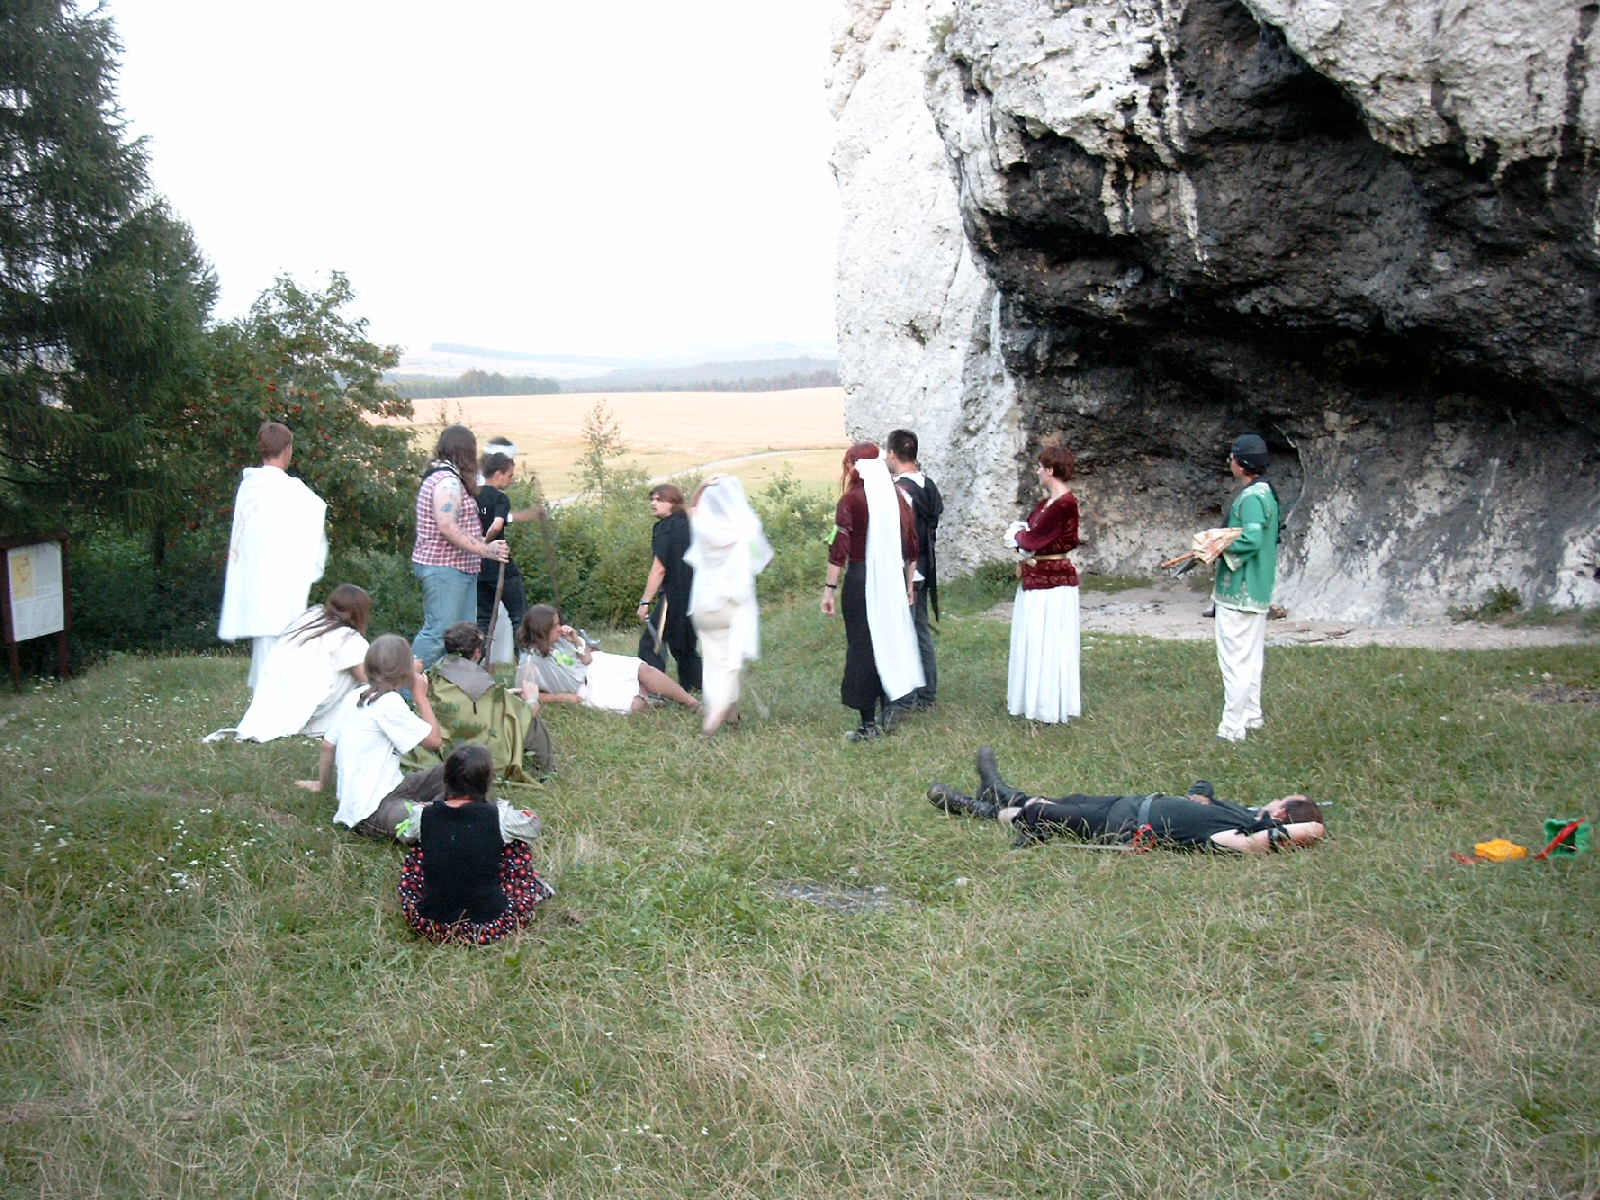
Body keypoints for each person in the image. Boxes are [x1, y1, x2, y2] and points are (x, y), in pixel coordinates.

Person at [928, 747, 1327, 853]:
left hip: (1125, 826)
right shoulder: (1241, 813)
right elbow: (1201, 793)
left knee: (1043, 814)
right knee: (1060, 801)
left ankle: (978, 807)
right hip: (1132, 804)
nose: (1274, 799)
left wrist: (1309, 828)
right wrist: (1201, 795)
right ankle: (998, 790)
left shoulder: (1243, 834)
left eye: (1280, 800)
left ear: (1281, 814)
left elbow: (1260, 843)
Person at [395, 744, 554, 945]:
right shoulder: (500, 818)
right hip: (489, 924)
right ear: (486, 781)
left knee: (421, 847)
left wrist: (426, 812)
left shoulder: (424, 816)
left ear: (446, 779)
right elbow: (532, 828)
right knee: (515, 845)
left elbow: (406, 836)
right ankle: (532, 888)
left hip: (432, 924)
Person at [297, 634, 447, 840]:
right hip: (374, 812)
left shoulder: (355, 695)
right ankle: (436, 812)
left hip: (375, 797)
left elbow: (328, 745)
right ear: (405, 671)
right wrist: (420, 696)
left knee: (452, 770)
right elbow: (434, 741)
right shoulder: (389, 702)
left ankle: (431, 808)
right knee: (434, 816)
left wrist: (321, 784)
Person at [821, 442, 922, 742]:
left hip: (861, 579)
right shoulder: (897, 498)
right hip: (892, 580)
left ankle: (868, 724)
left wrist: (829, 590)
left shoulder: (851, 500)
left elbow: (839, 549)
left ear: (855, 467)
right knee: (889, 641)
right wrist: (908, 585)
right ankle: (888, 710)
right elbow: (912, 547)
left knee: (862, 646)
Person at [217, 421, 328, 689]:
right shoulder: (291, 490)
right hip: (281, 578)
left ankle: (266, 690)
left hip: (255, 576)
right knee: (279, 638)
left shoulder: (249, 487)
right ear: (287, 449)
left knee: (269, 640)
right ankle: (271, 694)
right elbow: (313, 520)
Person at [210, 583, 372, 743]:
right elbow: (370, 680)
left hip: (276, 693)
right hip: (303, 697)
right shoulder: (348, 639)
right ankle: (330, 725)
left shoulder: (309, 618)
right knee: (363, 677)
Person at [404, 622, 555, 782]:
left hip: (443, 754)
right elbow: (525, 714)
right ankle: (544, 771)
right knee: (531, 721)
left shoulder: (431, 677)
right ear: (477, 653)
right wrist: (532, 699)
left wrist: (505, 695)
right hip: (482, 759)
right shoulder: (483, 685)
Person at [412, 424, 509, 669]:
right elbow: (447, 526)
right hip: (444, 567)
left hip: (456, 568)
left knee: (461, 636)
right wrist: (486, 550)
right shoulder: (447, 482)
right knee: (439, 634)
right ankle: (405, 686)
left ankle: (449, 684)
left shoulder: (445, 477)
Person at [685, 474, 772, 736]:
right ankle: (713, 719)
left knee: (714, 662)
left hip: (703, 607)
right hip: (732, 607)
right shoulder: (747, 528)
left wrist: (702, 486)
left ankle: (733, 718)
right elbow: (763, 559)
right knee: (730, 665)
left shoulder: (703, 526)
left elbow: (692, 508)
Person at [1212, 433, 1282, 742]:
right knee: (1251, 658)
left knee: (1235, 662)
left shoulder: (1252, 498)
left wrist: (1215, 545)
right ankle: (1252, 715)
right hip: (1257, 588)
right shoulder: (1265, 492)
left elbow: (1251, 540)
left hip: (1240, 590)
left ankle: (1232, 728)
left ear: (1240, 464)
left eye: (1232, 457)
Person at [1006, 444, 1082, 723]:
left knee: (1048, 641)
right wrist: (1022, 536)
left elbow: (1032, 539)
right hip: (1037, 577)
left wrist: (1018, 538)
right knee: (1034, 639)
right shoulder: (1047, 503)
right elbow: (1029, 529)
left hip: (1053, 583)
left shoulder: (1064, 504)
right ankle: (1034, 703)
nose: (1038, 471)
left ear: (1050, 470)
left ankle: (1048, 706)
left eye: (1040, 467)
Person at [516, 605, 701, 715]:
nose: (560, 627)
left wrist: (576, 640)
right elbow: (524, 694)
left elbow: (587, 659)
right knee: (636, 705)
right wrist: (563, 698)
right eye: (555, 625)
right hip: (582, 689)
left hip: (594, 666)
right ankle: (652, 700)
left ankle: (691, 702)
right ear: (542, 630)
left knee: (643, 670)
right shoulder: (530, 662)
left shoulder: (561, 639)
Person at [886, 429, 943, 712]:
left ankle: (906, 696)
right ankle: (926, 694)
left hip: (907, 568)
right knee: (920, 632)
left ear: (892, 454)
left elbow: (901, 534)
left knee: (904, 633)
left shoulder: (899, 490)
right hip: (924, 567)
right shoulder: (928, 485)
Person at [636, 483, 702, 692]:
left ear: (672, 502)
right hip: (695, 595)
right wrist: (704, 485)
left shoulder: (666, 527)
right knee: (684, 645)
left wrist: (645, 602)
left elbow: (659, 568)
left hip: (674, 595)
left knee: (651, 644)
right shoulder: (689, 521)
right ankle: (695, 688)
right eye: (652, 499)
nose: (653, 503)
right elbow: (696, 507)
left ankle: (654, 691)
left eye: (659, 499)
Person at [475, 451, 545, 640]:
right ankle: (525, 654)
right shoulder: (500, 497)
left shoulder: (473, 495)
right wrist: (486, 543)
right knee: (519, 616)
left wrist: (531, 515)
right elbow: (497, 524)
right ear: (498, 474)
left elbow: (504, 517)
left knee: (483, 619)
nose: (512, 480)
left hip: (477, 565)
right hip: (500, 564)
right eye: (510, 475)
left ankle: (477, 655)